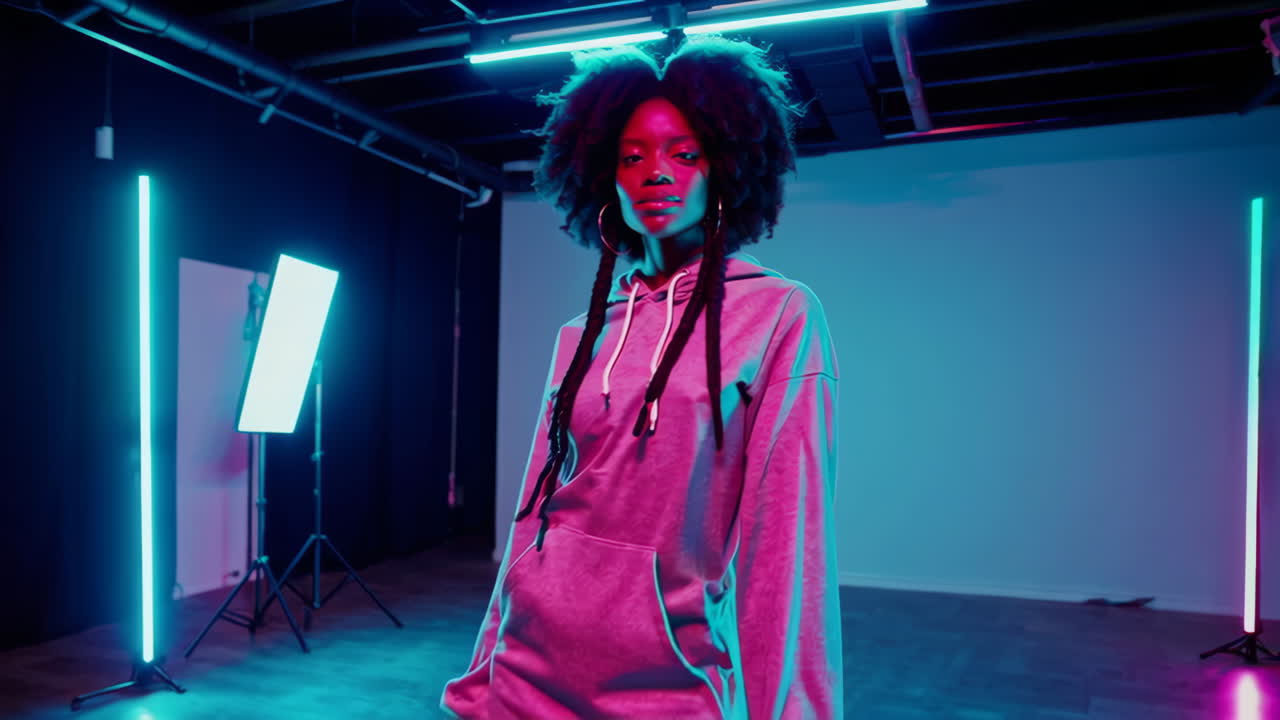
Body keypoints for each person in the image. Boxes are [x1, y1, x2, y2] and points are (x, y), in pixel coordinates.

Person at [441, 34, 842, 720]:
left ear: (726, 166)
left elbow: (788, 551)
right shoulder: (581, 333)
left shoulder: (778, 316)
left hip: (666, 688)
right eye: (633, 157)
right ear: (605, 178)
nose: (657, 173)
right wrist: (482, 670)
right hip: (523, 674)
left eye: (685, 154)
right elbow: (533, 511)